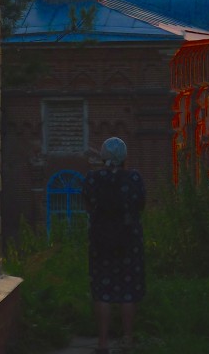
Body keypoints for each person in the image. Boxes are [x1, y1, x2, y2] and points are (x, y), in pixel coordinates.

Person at [82, 137, 145, 354]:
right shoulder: (134, 179)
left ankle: (102, 343)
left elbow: (88, 206)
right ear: (124, 157)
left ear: (103, 157)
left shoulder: (92, 179)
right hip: (129, 242)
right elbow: (140, 206)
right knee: (128, 291)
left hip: (101, 242)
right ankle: (127, 340)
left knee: (102, 291)